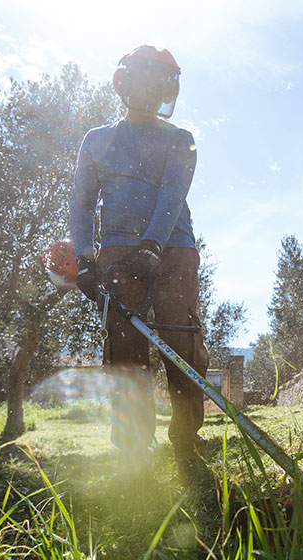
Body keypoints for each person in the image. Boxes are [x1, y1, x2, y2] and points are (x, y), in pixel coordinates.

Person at [68, 45, 209, 473]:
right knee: (125, 351)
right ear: (125, 83)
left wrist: (152, 246)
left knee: (181, 342)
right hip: (114, 254)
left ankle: (186, 445)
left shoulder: (181, 140)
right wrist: (84, 260)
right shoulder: (96, 140)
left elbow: (172, 195)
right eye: (146, 81)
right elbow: (81, 204)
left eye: (161, 83)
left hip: (174, 250)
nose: (154, 90)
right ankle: (132, 451)